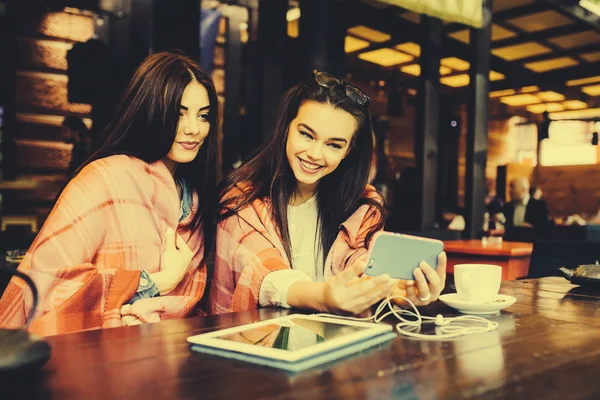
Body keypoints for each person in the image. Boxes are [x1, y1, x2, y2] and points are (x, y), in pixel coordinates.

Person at [0, 51, 220, 335]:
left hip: (174, 356)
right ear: (152, 111)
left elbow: (196, 304)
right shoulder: (104, 180)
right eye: (179, 114)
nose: (194, 129)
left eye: (203, 116)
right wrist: (158, 282)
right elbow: (45, 285)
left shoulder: (197, 201)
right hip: (95, 359)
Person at [210, 70, 446, 315]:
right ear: (285, 129)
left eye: (334, 145)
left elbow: (363, 265)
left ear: (348, 151)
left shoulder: (362, 206)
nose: (315, 154)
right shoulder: (242, 198)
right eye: (306, 135)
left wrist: (400, 291)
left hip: (332, 342)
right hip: (254, 343)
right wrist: (324, 297)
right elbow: (262, 273)